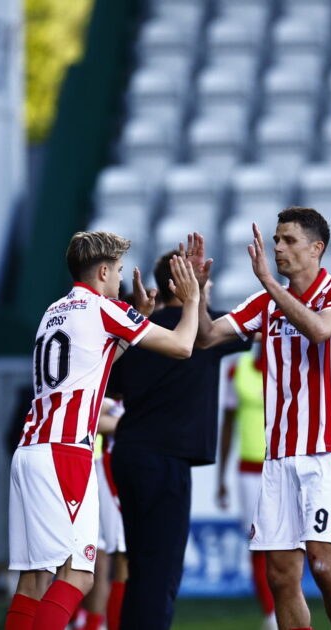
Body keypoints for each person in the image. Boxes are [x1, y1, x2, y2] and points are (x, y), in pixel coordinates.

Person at [4, 231, 200, 630]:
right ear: (104, 271)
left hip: (30, 450)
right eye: (119, 272)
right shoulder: (103, 308)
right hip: (65, 453)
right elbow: (182, 345)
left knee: (33, 580)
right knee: (79, 574)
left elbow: (93, 363)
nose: (120, 282)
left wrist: (135, 321)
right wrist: (193, 300)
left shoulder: (53, 311)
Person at [190, 207, 331, 630]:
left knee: (324, 566)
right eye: (275, 240)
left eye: (288, 240)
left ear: (316, 247)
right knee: (281, 577)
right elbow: (206, 337)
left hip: (329, 450)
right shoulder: (265, 304)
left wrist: (270, 283)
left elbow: (320, 330)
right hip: (279, 457)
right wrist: (197, 295)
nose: (278, 248)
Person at [105, 251, 250, 630]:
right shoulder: (203, 330)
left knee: (137, 565)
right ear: (183, 284)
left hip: (128, 455)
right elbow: (239, 332)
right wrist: (197, 297)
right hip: (165, 462)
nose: (210, 290)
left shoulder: (138, 328)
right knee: (161, 571)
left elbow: (115, 387)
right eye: (205, 284)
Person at [218, 347, 277, 630]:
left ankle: (283, 603)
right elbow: (228, 424)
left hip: (281, 465)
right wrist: (221, 478)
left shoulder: (286, 366)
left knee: (285, 542)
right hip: (249, 470)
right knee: (257, 543)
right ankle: (270, 612)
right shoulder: (236, 370)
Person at [75, 398, 126, 630]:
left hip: (95, 472)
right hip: (87, 474)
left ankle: (90, 621)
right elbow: (89, 420)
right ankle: (85, 620)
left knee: (99, 558)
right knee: (89, 560)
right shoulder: (98, 381)